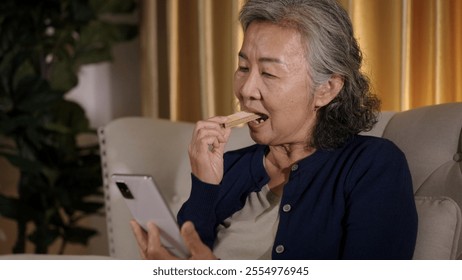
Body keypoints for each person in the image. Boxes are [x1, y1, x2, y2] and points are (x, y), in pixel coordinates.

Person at [131, 0, 418, 260]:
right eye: (243, 67)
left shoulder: (373, 165)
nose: (246, 89)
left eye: (268, 73)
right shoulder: (228, 167)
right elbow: (189, 260)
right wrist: (204, 185)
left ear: (326, 89)